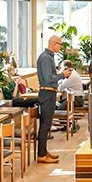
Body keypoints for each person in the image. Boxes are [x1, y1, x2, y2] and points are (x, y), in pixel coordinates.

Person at [35, 34, 63, 163]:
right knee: (45, 125)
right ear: (53, 43)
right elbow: (48, 78)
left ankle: (44, 151)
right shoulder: (46, 58)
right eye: (59, 44)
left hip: (50, 93)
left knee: (47, 124)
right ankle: (41, 155)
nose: (60, 47)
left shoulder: (49, 57)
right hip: (47, 93)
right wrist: (63, 75)